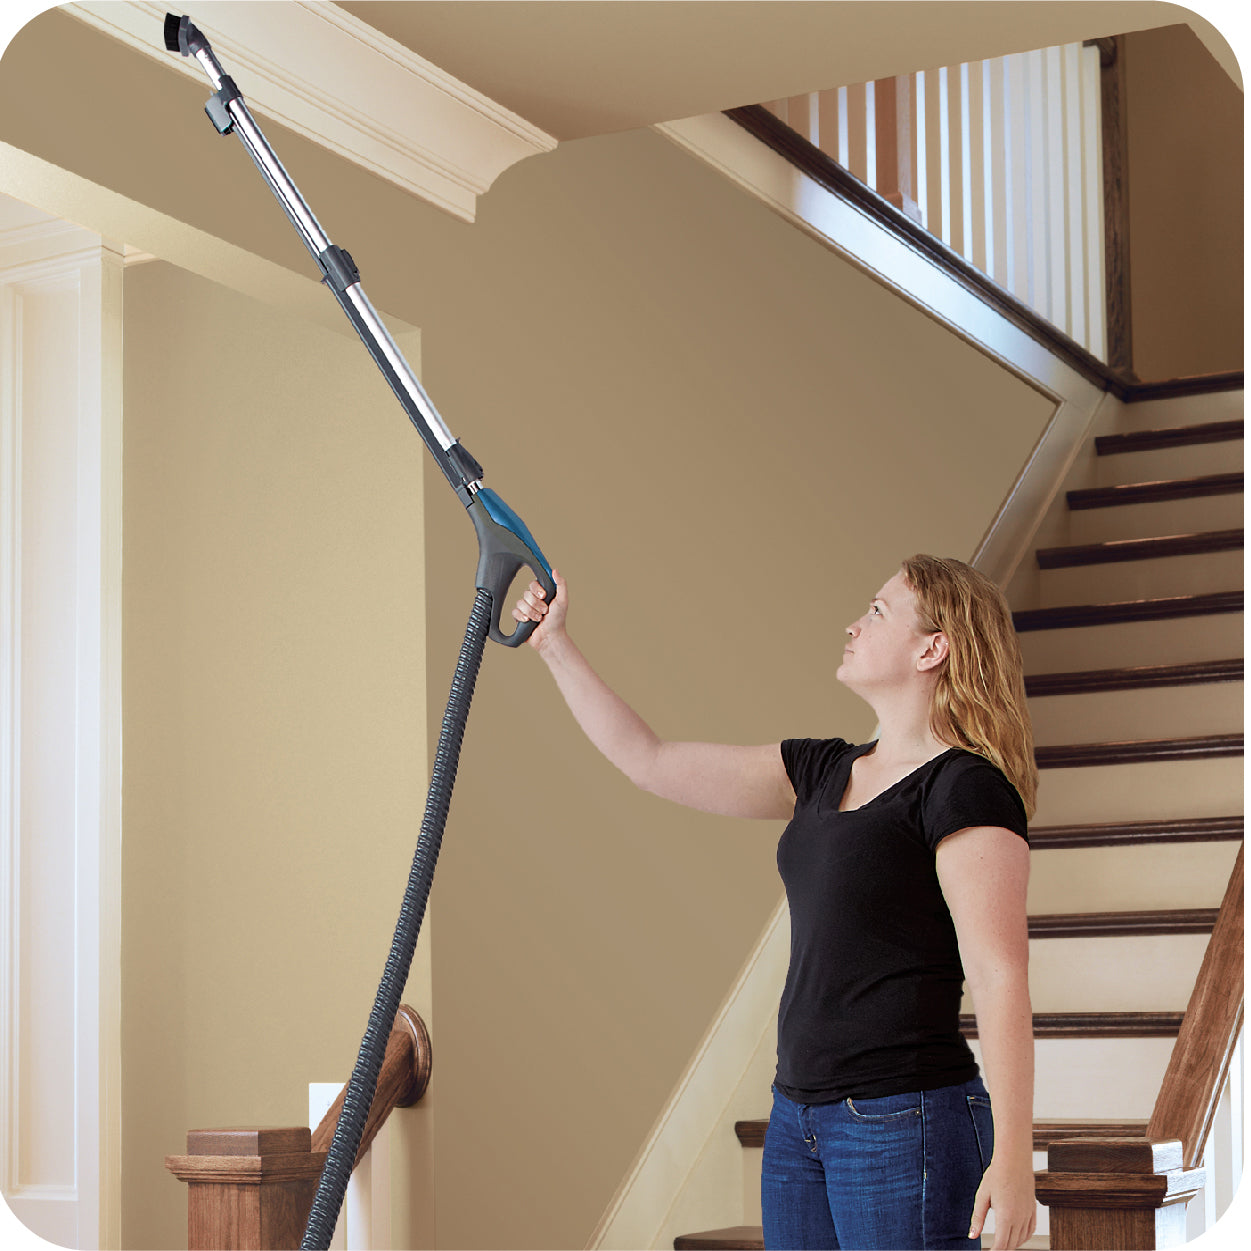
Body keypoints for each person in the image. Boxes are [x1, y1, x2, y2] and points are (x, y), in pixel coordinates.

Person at [512, 555, 1037, 1251]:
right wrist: (554, 646)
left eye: (878, 611)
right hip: (798, 1116)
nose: (853, 623)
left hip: (905, 1119)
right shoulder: (820, 769)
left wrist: (1012, 1155)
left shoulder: (963, 789)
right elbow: (650, 759)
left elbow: (1000, 975)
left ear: (931, 647)